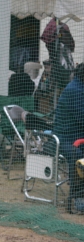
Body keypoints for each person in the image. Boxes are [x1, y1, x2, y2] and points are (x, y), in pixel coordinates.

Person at [53, 63, 84, 212]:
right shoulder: (75, 90)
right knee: (78, 156)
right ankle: (78, 197)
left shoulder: (80, 87)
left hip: (78, 137)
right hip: (65, 139)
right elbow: (82, 118)